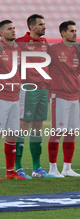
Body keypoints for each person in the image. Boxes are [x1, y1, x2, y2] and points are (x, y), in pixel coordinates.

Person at [14, 14, 54, 178]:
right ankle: (18, 167)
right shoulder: (20, 43)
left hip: (43, 90)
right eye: (40, 25)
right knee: (23, 127)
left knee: (38, 127)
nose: (44, 27)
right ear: (31, 27)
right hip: (28, 89)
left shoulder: (45, 43)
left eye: (44, 24)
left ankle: (37, 169)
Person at [0, 20, 26, 181]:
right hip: (0, 96)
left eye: (14, 28)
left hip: (15, 96)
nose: (13, 31)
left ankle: (10, 171)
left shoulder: (17, 48)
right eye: (10, 29)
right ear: (1, 33)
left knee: (12, 135)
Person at [48, 20, 80, 178]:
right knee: (57, 131)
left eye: (75, 30)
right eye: (72, 31)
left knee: (72, 132)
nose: (75, 33)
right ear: (63, 33)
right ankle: (52, 168)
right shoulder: (53, 49)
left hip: (74, 95)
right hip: (59, 95)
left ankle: (67, 167)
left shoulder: (76, 51)